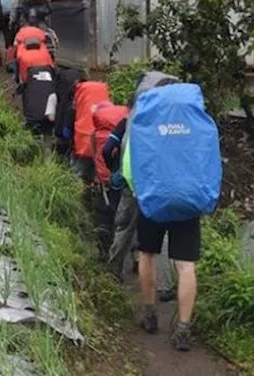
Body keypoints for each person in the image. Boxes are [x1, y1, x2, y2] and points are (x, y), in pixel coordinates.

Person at [103, 71, 199, 351]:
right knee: (186, 265)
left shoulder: (146, 123)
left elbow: (131, 167)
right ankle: (183, 327)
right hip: (187, 202)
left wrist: (138, 191)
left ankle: (149, 313)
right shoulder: (194, 122)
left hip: (153, 199)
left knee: (147, 254)